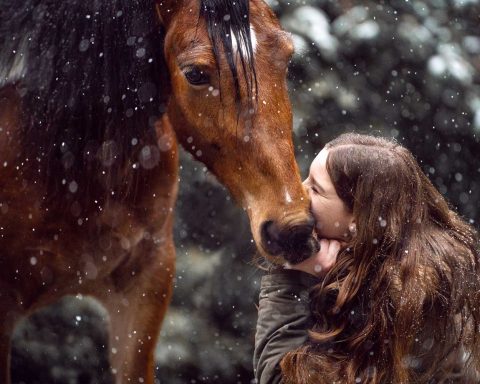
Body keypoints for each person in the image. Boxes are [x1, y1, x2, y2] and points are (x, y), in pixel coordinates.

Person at [254, 133, 480, 384]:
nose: (299, 193)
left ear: (358, 220)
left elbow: (279, 379)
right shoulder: (376, 264)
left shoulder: (403, 298)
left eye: (315, 189)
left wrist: (292, 281)